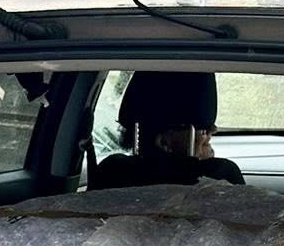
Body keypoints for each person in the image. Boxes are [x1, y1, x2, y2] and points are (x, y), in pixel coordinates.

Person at [89, 70, 245, 190]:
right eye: (203, 130)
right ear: (165, 142)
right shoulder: (222, 178)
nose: (211, 135)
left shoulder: (110, 174)